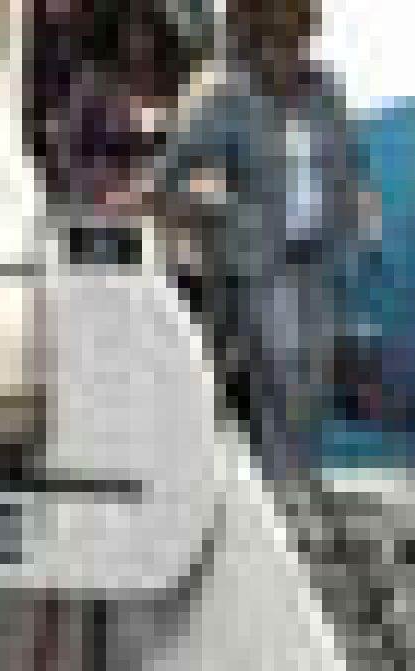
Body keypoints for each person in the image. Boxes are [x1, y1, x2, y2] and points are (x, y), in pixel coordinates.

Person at [157, 0, 356, 491]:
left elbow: (346, 161)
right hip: (264, 262)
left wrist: (351, 220)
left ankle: (295, 484)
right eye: (276, 41)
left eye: (297, 40)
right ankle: (281, 492)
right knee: (280, 369)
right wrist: (201, 210)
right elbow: (175, 166)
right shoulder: (233, 98)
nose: (287, 53)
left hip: (319, 259)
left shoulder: (326, 92)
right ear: (257, 41)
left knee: (313, 378)